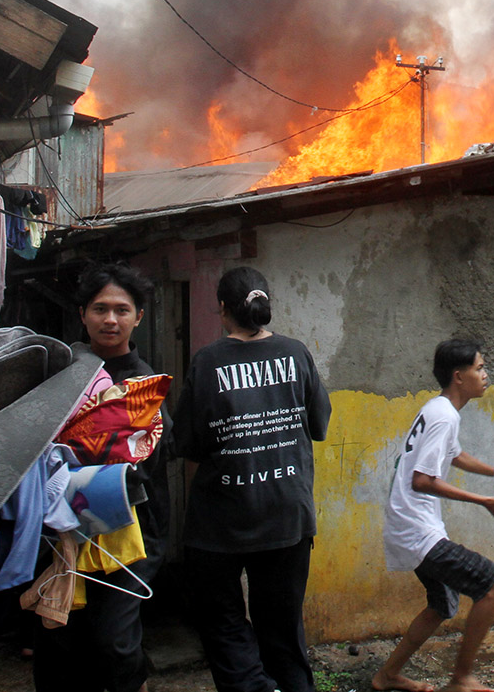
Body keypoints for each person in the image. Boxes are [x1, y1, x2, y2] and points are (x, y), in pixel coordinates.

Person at [171, 266, 332, 692]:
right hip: (288, 514)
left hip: (220, 520)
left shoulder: (207, 362)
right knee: (282, 629)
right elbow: (319, 425)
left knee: (223, 624)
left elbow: (186, 441)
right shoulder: (296, 354)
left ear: (223, 309)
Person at [33, 260, 169, 692]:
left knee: (115, 643)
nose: (110, 320)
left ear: (138, 317)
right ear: (82, 314)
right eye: (100, 308)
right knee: (60, 641)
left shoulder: (147, 386)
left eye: (122, 310)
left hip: (130, 535)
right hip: (62, 533)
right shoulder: (60, 375)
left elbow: (146, 464)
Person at [373, 339, 494, 692]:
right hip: (418, 530)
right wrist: (484, 501)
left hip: (410, 525)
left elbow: (455, 455)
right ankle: (461, 679)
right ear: (459, 376)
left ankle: (386, 676)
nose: (485, 374)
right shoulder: (444, 416)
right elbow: (423, 480)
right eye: (479, 368)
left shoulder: (439, 409)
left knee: (442, 604)